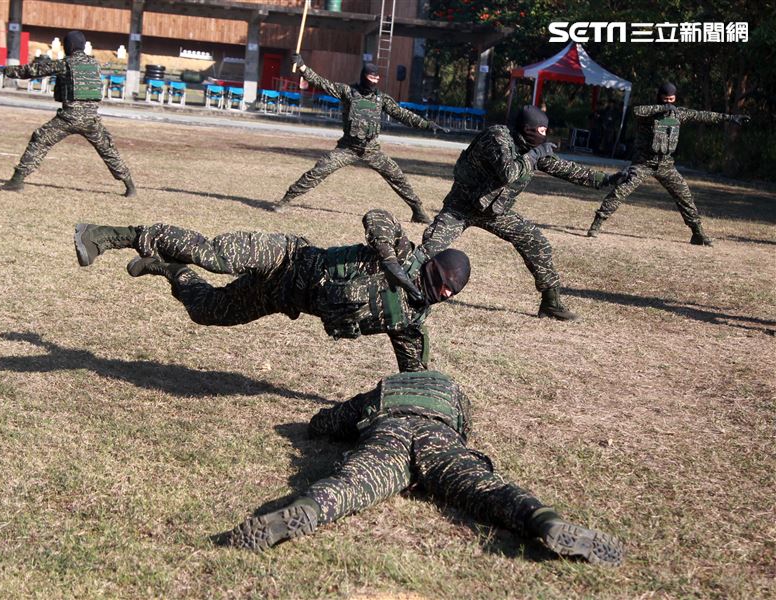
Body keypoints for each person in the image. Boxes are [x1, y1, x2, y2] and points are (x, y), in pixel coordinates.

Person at [211, 370, 624, 567]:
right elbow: (464, 432)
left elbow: (329, 422)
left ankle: (307, 510)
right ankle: (542, 521)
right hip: (437, 436)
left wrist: (317, 424)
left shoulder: (386, 387)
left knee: (353, 482)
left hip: (388, 428)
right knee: (481, 487)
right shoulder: (455, 396)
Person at [73, 209, 470, 372]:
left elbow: (415, 373)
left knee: (208, 310)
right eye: (444, 282)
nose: (444, 294)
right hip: (286, 257)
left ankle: (167, 269)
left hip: (283, 297)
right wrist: (390, 261)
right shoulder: (403, 251)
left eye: (451, 293)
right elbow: (378, 217)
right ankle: (106, 236)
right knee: (215, 256)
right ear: (433, 266)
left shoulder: (410, 320)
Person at [421, 105, 628, 321]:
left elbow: (565, 169)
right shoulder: (497, 137)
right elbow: (508, 172)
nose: (541, 138)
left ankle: (551, 303)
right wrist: (536, 153)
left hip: (495, 212)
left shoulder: (531, 148)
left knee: (537, 244)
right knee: (432, 245)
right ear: (525, 128)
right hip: (460, 207)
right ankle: (412, 290)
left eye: (544, 133)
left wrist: (606, 180)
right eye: (538, 132)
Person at [274, 56, 448, 224]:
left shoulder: (381, 99)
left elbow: (403, 115)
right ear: (364, 76)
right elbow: (321, 83)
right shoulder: (348, 92)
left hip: (372, 150)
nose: (374, 80)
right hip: (347, 148)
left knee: (398, 178)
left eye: (377, 77)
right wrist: (303, 67)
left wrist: (428, 125)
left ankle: (418, 211)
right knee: (318, 171)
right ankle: (285, 200)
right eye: (371, 76)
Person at [587, 82, 750, 245]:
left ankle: (698, 233)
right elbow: (637, 111)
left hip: (666, 165)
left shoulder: (679, 114)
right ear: (659, 98)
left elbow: (703, 115)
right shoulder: (649, 113)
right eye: (665, 99)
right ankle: (596, 224)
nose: (669, 103)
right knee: (621, 190)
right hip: (643, 163)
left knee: (685, 196)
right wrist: (662, 109)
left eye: (671, 100)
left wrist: (730, 118)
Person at [1, 31, 135, 197]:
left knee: (40, 140)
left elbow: (34, 70)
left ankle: (17, 180)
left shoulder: (66, 63)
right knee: (108, 150)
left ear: (69, 46)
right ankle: (130, 186)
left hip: (68, 118)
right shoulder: (95, 64)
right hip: (91, 120)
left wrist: (6, 70)